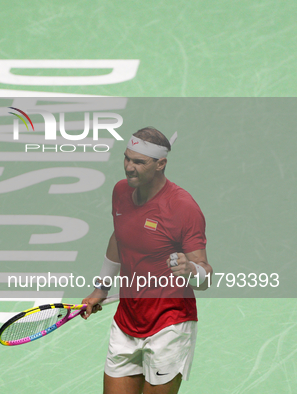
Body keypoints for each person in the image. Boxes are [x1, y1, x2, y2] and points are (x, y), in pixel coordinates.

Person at [81, 127, 213, 394]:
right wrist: (101, 288)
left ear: (160, 164)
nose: (129, 168)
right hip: (127, 320)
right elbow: (119, 238)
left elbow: (206, 277)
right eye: (127, 158)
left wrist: (190, 270)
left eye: (139, 162)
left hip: (169, 324)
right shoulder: (121, 192)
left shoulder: (182, 208)